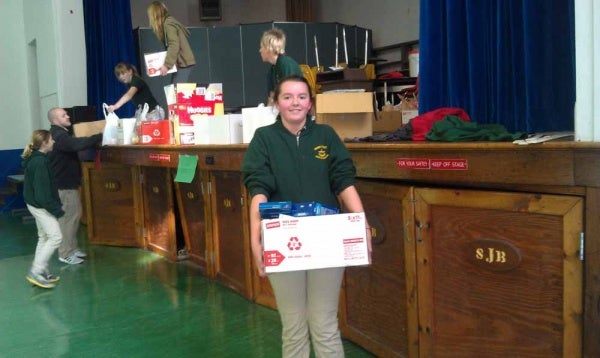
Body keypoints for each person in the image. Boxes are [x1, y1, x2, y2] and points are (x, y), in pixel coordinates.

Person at [241, 75, 372, 358]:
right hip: (283, 240)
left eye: (301, 96)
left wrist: (361, 224)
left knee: (324, 323)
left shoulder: (326, 136)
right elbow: (258, 190)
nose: (295, 103)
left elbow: (344, 182)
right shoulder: (264, 139)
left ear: (310, 103)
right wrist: (256, 239)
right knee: (294, 325)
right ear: (276, 102)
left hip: (326, 241)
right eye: (287, 97)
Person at [48, 108, 102, 265]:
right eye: (63, 115)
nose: (68, 116)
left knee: (74, 216)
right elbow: (77, 145)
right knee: (68, 219)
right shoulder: (59, 135)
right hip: (63, 184)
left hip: (68, 183)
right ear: (55, 120)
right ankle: (65, 253)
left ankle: (72, 248)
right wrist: (99, 135)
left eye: (66, 113)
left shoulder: (61, 133)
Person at [22, 130, 64, 289]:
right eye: (51, 139)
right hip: (40, 205)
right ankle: (36, 272)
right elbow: (42, 194)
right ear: (45, 143)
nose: (53, 142)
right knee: (56, 237)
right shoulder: (39, 163)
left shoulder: (38, 159)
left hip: (35, 203)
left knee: (44, 237)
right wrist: (57, 210)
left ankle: (42, 271)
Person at [147, 1, 196, 83]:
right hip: (181, 63)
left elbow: (174, 45)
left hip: (183, 63)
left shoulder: (168, 24)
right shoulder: (167, 23)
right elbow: (169, 46)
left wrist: (167, 65)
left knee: (176, 91)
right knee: (174, 91)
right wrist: (156, 65)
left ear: (155, 15)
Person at [259, 28, 303, 105]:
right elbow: (272, 97)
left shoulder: (286, 64)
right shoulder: (272, 69)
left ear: (269, 48)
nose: (260, 50)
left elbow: (290, 94)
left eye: (262, 47)